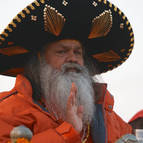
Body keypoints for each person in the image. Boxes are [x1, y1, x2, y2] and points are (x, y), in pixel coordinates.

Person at [0, 0, 135, 142]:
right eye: (62, 52)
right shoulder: (7, 110)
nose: (73, 58)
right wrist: (68, 131)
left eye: (78, 53)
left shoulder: (111, 119)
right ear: (41, 61)